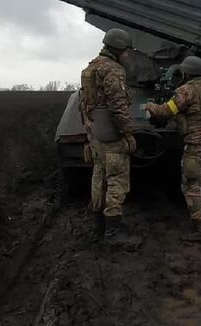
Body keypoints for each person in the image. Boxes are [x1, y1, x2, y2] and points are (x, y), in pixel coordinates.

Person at [145, 56, 201, 243]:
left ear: (186, 73)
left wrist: (150, 106)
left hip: (196, 146)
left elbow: (166, 111)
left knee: (191, 185)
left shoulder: (186, 90)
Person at [79, 28, 138, 247]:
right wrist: (128, 134)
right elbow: (118, 107)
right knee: (117, 179)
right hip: (112, 136)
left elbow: (84, 102)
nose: (127, 54)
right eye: (126, 50)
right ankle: (113, 231)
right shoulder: (113, 70)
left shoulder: (90, 67)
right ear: (119, 48)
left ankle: (98, 224)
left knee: (99, 176)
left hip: (96, 134)